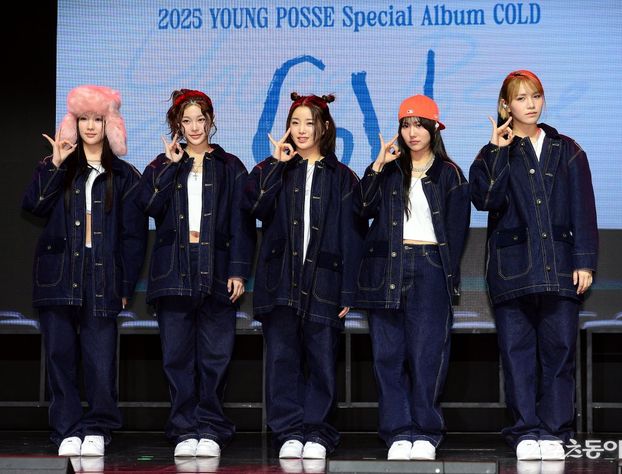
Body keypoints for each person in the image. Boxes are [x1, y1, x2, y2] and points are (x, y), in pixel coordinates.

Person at [469, 70, 598, 461]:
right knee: (517, 353)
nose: (530, 104)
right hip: (512, 270)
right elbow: (485, 200)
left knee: (559, 352)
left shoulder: (567, 149)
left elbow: (584, 209)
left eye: (536, 96)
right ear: (505, 105)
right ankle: (525, 430)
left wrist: (584, 261)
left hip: (561, 267)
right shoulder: (494, 151)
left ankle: (554, 431)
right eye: (521, 98)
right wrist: (496, 151)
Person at [22, 85, 147, 457]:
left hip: (103, 277)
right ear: (73, 123)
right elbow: (33, 206)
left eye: (98, 119)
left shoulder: (124, 175)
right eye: (84, 119)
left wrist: (125, 284)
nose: (91, 126)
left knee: (99, 358)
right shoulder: (56, 166)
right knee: (59, 355)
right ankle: (66, 428)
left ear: (110, 124)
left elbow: (134, 236)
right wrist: (55, 165)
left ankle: (98, 427)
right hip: (58, 275)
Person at [244, 92, 365, 460]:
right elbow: (254, 208)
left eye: (308, 123)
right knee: (282, 359)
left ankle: (318, 432)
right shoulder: (272, 170)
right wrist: (276, 165)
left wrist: (348, 290)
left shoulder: (343, 177)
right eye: (294, 123)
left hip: (326, 282)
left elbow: (353, 236)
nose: (300, 130)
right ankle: (288, 431)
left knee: (321, 360)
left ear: (324, 127)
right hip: (280, 280)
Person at [138, 89, 255, 458]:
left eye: (200, 120)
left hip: (218, 268)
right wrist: (171, 167)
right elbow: (148, 206)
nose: (194, 127)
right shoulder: (161, 165)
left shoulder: (230, 166)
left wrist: (238, 271)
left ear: (210, 121)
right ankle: (184, 428)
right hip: (173, 269)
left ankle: (211, 428)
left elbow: (242, 223)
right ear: (177, 124)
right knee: (176, 356)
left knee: (215, 355)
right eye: (186, 121)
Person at [353, 94, 470, 461]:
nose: (412, 132)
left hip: (430, 265)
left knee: (427, 355)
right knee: (387, 356)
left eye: (419, 124)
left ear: (434, 128)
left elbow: (457, 233)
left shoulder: (450, 174)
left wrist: (447, 276)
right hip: (387, 266)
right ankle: (397, 432)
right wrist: (377, 166)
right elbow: (360, 208)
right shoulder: (390, 169)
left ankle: (426, 432)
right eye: (406, 125)